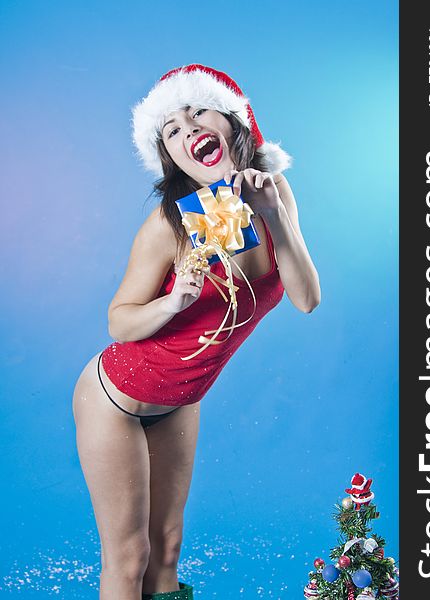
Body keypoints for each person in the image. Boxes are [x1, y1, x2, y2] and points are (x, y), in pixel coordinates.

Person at [72, 64, 321, 600]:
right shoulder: (171, 224)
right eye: (172, 129)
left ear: (234, 122)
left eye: (198, 112)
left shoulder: (275, 192)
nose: (188, 128)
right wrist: (172, 302)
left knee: (166, 550)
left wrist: (273, 215)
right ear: (171, 156)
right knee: (129, 557)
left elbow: (306, 299)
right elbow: (119, 320)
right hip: (117, 400)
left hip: (181, 400)